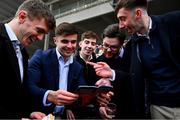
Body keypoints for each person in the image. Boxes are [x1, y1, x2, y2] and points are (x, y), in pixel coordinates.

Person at [89, 0, 180, 119]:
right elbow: (134, 78)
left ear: (137, 13)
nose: (121, 25)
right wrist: (111, 74)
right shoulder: (132, 45)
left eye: (123, 18)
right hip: (157, 108)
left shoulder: (173, 22)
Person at [0, 0, 55, 118]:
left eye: (44, 34)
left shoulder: (23, 53)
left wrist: (29, 113)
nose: (40, 38)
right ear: (22, 17)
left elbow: (15, 93)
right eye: (39, 30)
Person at [25, 22, 87, 119]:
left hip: (62, 116)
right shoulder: (40, 57)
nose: (70, 46)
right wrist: (48, 95)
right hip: (41, 115)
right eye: (65, 41)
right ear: (55, 41)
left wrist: (69, 107)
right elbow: (29, 85)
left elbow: (80, 92)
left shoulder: (78, 67)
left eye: (73, 42)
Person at [96, 23, 133, 119]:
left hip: (129, 111)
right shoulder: (98, 61)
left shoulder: (131, 57)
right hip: (106, 112)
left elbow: (136, 80)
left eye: (113, 47)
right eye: (105, 45)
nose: (108, 50)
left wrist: (112, 75)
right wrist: (100, 106)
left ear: (121, 44)